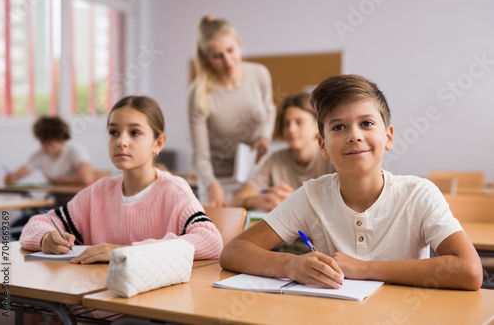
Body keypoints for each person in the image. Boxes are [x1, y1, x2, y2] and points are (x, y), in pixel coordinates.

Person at [220, 74, 483, 290]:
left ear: (388, 137)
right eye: (338, 127)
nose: (354, 135)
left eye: (366, 123)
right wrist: (292, 265)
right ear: (322, 145)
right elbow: (234, 251)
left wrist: (363, 268)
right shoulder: (312, 195)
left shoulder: (418, 194)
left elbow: (469, 270)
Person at [20, 96, 223, 262]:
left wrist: (128, 252)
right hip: (93, 300)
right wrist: (47, 238)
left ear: (158, 143)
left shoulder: (174, 190)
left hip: (151, 305)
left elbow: (211, 241)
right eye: (113, 132)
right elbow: (37, 223)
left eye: (135, 132)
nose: (121, 142)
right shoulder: (98, 192)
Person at [188, 15, 276, 207]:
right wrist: (212, 185)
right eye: (217, 56)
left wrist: (265, 138)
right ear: (206, 58)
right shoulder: (199, 93)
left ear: (239, 44)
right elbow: (200, 154)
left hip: (255, 176)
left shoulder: (259, 73)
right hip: (218, 181)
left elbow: (270, 111)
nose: (228, 60)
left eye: (230, 50)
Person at [231, 93, 335, 212]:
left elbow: (346, 205)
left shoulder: (333, 158)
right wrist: (258, 200)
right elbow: (235, 200)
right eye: (286, 124)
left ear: (317, 127)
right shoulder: (276, 159)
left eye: (299, 122)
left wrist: (298, 199)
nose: (291, 129)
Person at [4, 116, 94, 186]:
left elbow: (86, 177)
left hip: (76, 199)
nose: (44, 146)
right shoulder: (40, 155)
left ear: (61, 139)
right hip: (54, 199)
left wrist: (60, 181)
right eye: (42, 142)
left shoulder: (75, 150)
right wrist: (12, 177)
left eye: (49, 142)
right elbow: (20, 173)